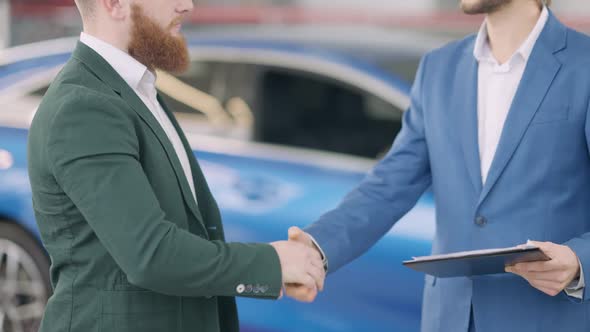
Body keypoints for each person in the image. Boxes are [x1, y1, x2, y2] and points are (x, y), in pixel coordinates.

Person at [284, 0, 590, 331]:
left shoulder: (583, 64)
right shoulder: (438, 68)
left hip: (547, 316)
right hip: (449, 317)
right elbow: (389, 185)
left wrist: (579, 260)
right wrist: (317, 248)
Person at [27, 1, 325, 331]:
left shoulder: (137, 89)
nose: (187, 5)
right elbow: (151, 255)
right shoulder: (83, 107)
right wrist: (274, 264)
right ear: (114, 4)